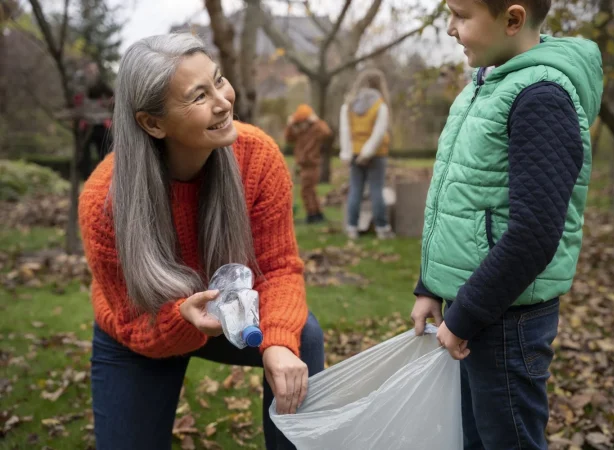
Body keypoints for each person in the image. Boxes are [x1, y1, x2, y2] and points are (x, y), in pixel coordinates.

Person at [78, 34, 325, 450]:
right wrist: (181, 318)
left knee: (304, 336)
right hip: (142, 329)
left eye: (219, 81)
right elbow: (130, 315)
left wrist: (279, 342)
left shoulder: (258, 158)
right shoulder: (104, 202)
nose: (224, 101)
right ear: (152, 123)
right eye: (198, 96)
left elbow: (279, 267)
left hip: (224, 314)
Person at [410, 0, 603, 448]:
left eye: (460, 15)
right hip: (474, 311)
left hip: (506, 322)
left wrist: (465, 316)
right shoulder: (487, 84)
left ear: (513, 20)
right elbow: (462, 201)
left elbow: (533, 235)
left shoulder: (541, 98)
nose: (450, 29)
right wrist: (430, 286)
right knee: (474, 439)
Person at [339, 68, 394, 240]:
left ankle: (352, 228)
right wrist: (368, 153)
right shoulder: (381, 105)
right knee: (377, 190)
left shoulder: (348, 105)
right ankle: (382, 228)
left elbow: (345, 130)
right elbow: (379, 132)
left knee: (355, 189)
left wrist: (347, 154)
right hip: (376, 154)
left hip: (355, 153)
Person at [284, 104, 332, 224]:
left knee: (307, 190)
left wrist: (316, 120)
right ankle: (316, 213)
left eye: (303, 122)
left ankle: (312, 214)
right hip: (302, 164)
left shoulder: (316, 129)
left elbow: (327, 132)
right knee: (310, 190)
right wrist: (290, 125)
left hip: (311, 164)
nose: (301, 125)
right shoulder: (299, 131)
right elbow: (288, 139)